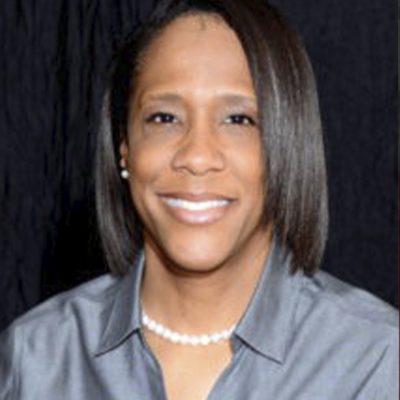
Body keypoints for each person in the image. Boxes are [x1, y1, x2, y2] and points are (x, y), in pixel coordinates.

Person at [0, 0, 398, 399]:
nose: (197, 156)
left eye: (238, 119)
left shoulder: (378, 362)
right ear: (125, 148)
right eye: (164, 118)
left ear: (288, 144)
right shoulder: (34, 359)